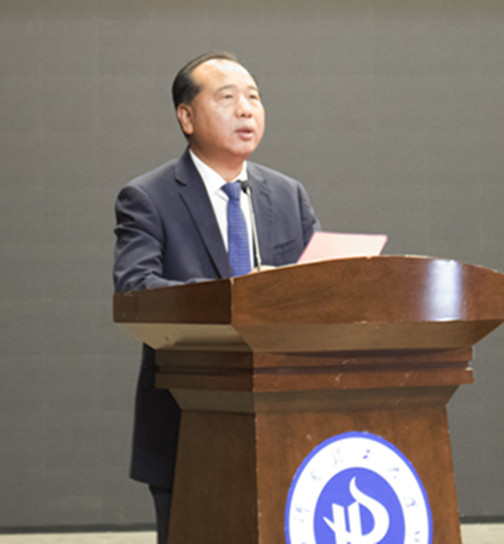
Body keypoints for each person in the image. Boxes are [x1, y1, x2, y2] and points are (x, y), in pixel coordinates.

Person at [112, 51, 320, 544]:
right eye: (227, 98)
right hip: (189, 419)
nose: (246, 109)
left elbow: (316, 289)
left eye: (254, 97)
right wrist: (240, 296)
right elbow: (136, 290)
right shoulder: (148, 197)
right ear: (186, 117)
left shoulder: (288, 195)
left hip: (287, 418)